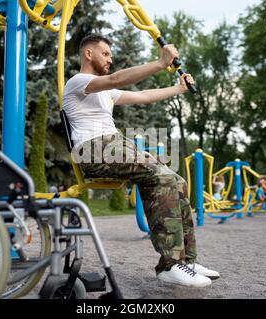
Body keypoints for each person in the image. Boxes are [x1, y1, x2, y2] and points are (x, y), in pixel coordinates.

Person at [63, 34, 219, 288]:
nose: (110, 59)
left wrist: (178, 89)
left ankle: (187, 261)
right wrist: (160, 63)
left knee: (176, 181)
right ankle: (169, 266)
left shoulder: (107, 92)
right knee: (164, 176)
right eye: (106, 54)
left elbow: (144, 96)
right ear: (88, 54)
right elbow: (114, 78)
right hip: (93, 148)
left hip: (114, 145)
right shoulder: (78, 81)